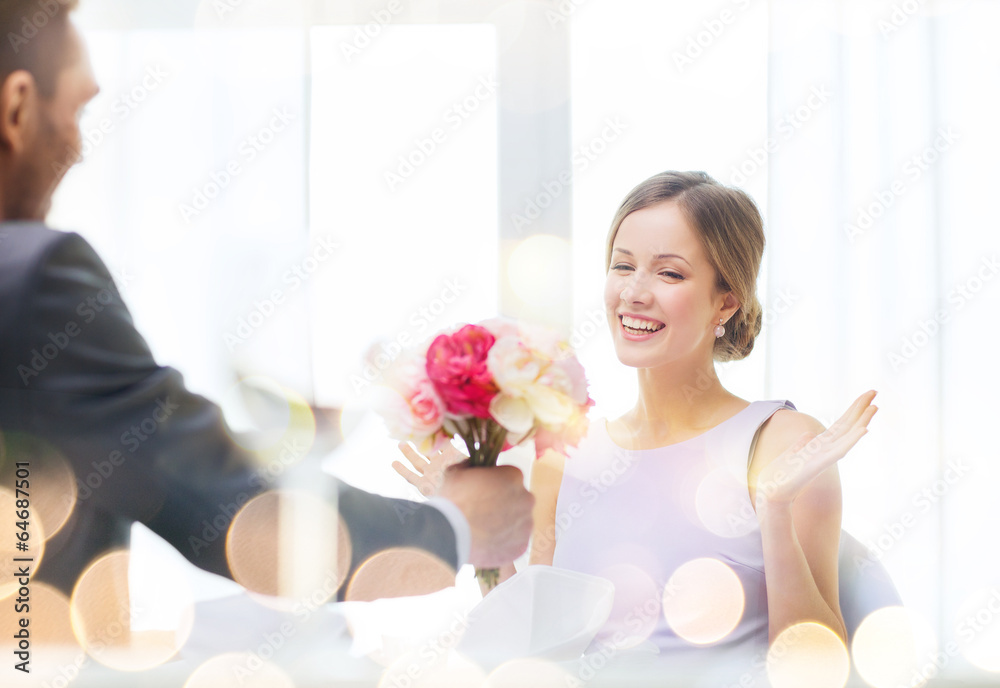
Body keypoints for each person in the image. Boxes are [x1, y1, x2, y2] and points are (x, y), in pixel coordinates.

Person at [0, 0, 534, 606]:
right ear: (17, 108)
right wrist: (454, 530)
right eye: (75, 112)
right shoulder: (35, 277)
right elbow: (233, 510)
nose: (79, 148)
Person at [395, 171, 879, 685]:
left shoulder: (778, 442)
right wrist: (477, 531)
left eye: (669, 273)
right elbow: (533, 654)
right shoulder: (564, 455)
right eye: (622, 266)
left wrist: (775, 511)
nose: (633, 292)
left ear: (726, 301)